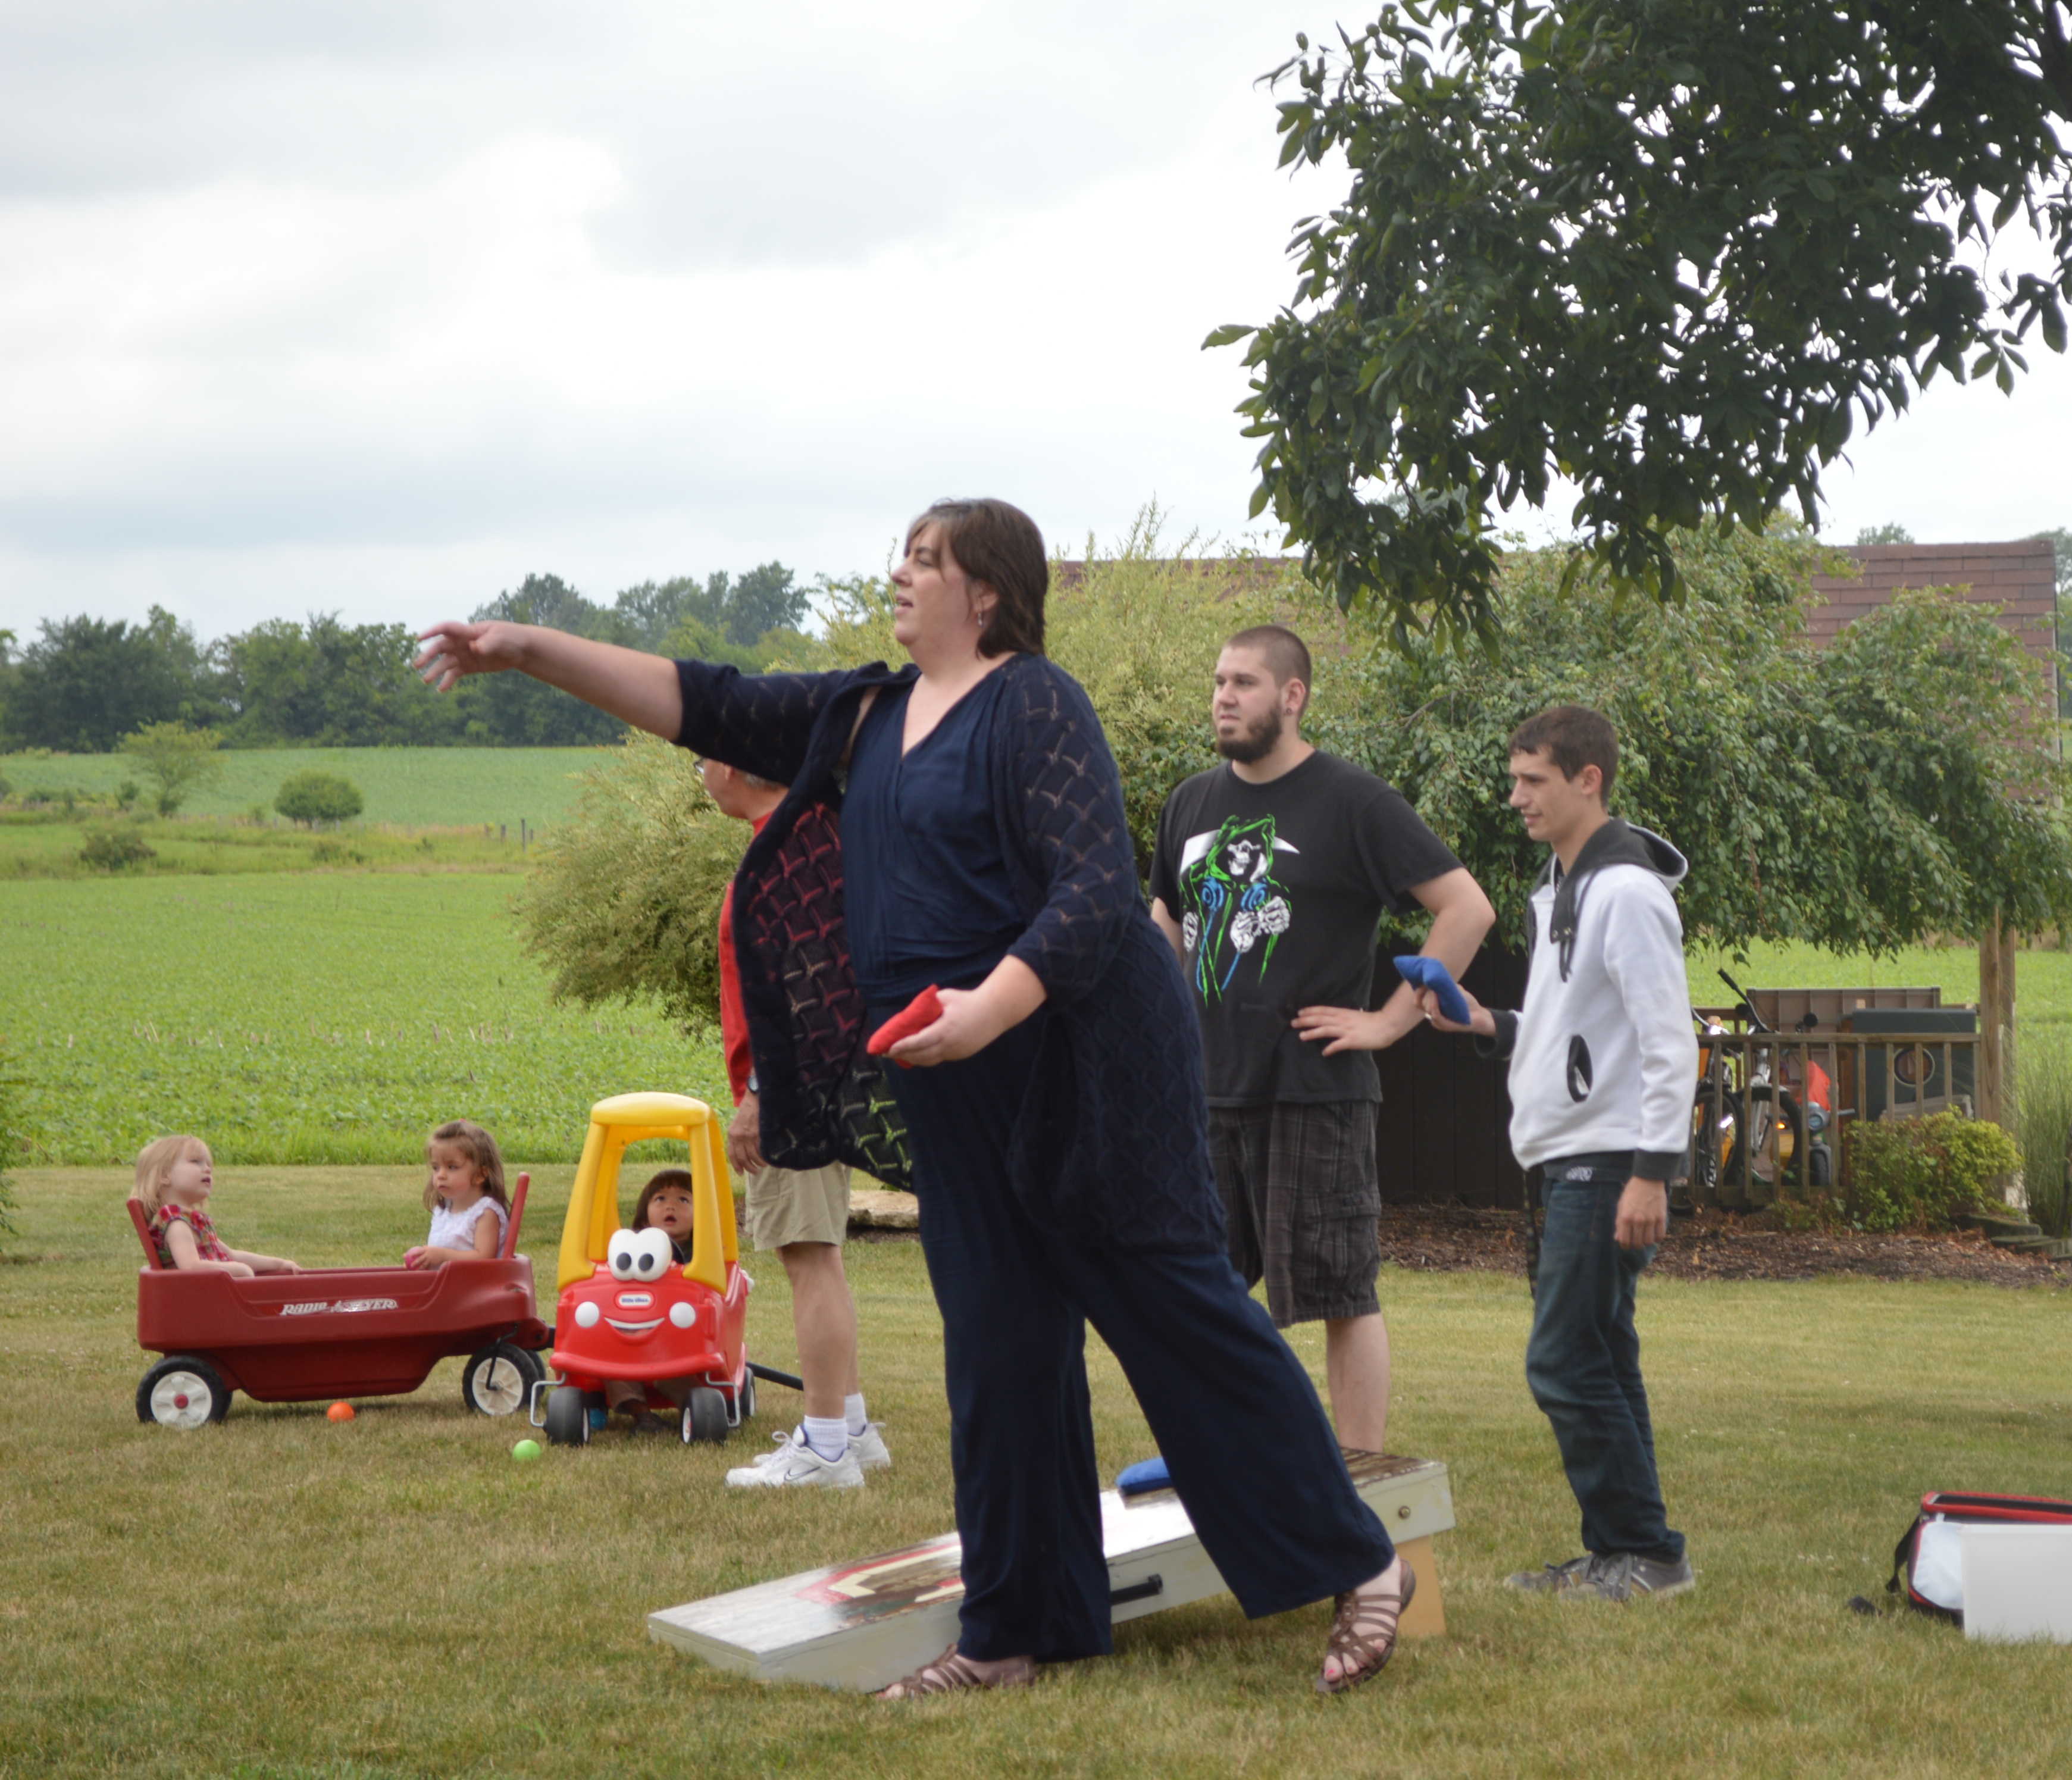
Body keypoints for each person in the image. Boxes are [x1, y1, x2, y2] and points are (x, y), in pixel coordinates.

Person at [414, 496, 1410, 1700]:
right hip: (949, 1066)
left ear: (985, 591)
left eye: (925, 559)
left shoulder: (1034, 702)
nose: (899, 573)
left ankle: (1361, 1561)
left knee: (1175, 1316)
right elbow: (704, 699)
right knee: (998, 1346)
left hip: (1082, 1052)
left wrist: (990, 1006)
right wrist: (528, 649)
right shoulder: (868, 714)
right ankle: (1014, 1632)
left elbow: (1095, 892)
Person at [1148, 625, 1494, 1453]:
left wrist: (1389, 1021)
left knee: (1342, 1294)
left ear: (1293, 696)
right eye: (1219, 682)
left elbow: (1467, 908)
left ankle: (1359, 1475)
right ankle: (1221, 1464)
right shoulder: (1190, 803)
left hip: (1312, 1090)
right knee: (1194, 1294)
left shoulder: (1353, 802)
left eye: (1244, 683)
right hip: (1202, 1093)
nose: (1223, 697)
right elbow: (1163, 924)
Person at [1420, 705, 1695, 1603]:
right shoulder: (1562, 892)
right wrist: (1486, 1022)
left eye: (1533, 780)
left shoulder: (1627, 894)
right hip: (1572, 1161)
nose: (1516, 797)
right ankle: (1638, 1553)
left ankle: (1640, 1552)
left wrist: (1652, 1173)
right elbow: (1571, 1026)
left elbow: (1670, 1042)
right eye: (1515, 779)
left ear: (1589, 780)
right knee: (1602, 1355)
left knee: (1564, 1361)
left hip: (1606, 1164)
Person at [699, 755, 888, 1488]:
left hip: (792, 1093)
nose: (700, 774)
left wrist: (760, 1093)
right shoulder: (795, 838)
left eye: (700, 760)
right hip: (806, 1087)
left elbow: (804, 991)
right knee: (818, 1256)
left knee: (808, 1258)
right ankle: (854, 1430)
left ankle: (827, 1450)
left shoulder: (787, 849)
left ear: (732, 766)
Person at [606, 1168, 714, 1430]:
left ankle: (699, 1408)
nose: (671, 1206)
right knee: (610, 1364)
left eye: (683, 1200)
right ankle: (643, 1416)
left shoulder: (702, 1254)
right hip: (633, 1334)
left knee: (675, 1372)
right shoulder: (629, 1252)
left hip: (679, 1341)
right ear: (645, 1215)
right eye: (660, 1199)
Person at [133, 1134, 299, 1277]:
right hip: (200, 1298)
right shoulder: (176, 1223)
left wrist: (278, 1264)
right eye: (195, 1161)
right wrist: (239, 1270)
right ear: (164, 1175)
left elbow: (232, 1255)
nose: (207, 1169)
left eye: (208, 1164)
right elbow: (190, 1267)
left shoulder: (191, 1221)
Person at [403, 1118, 509, 1269]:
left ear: (480, 1175)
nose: (441, 1175)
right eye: (436, 1168)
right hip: (446, 1283)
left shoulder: (486, 1212)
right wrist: (424, 1260)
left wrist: (442, 1256)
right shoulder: (443, 1211)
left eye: (452, 1167)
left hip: (476, 1284)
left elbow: (485, 1259)